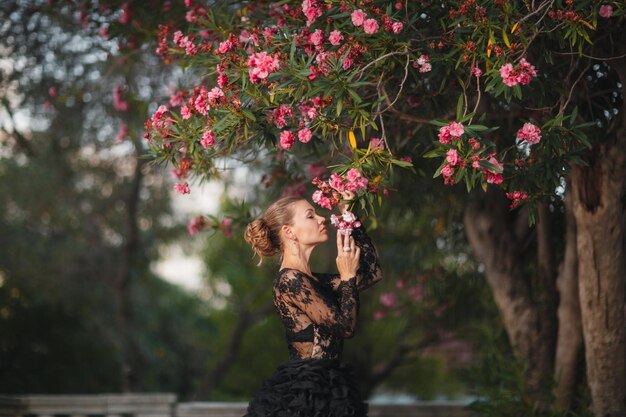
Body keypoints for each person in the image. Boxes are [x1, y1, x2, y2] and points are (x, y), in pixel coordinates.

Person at [243, 195, 383, 417]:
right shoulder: (290, 281)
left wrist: (349, 215)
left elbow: (372, 273)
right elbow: (345, 327)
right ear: (289, 232)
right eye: (311, 216)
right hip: (305, 396)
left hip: (329, 387)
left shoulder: (313, 281)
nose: (322, 219)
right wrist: (346, 277)